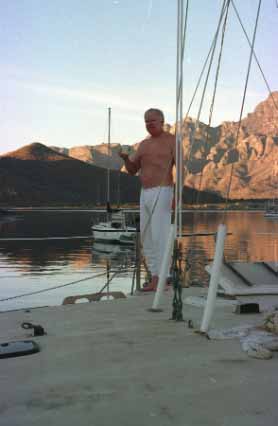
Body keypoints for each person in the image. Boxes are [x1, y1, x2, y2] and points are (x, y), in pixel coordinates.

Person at [119, 108, 182, 291]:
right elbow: (132, 170)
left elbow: (181, 170)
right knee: (146, 236)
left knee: (160, 235)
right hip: (144, 193)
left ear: (162, 121)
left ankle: (164, 277)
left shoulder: (172, 141)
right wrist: (125, 159)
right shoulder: (144, 145)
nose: (149, 124)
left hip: (163, 191)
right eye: (146, 121)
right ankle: (155, 276)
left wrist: (177, 196)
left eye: (152, 120)